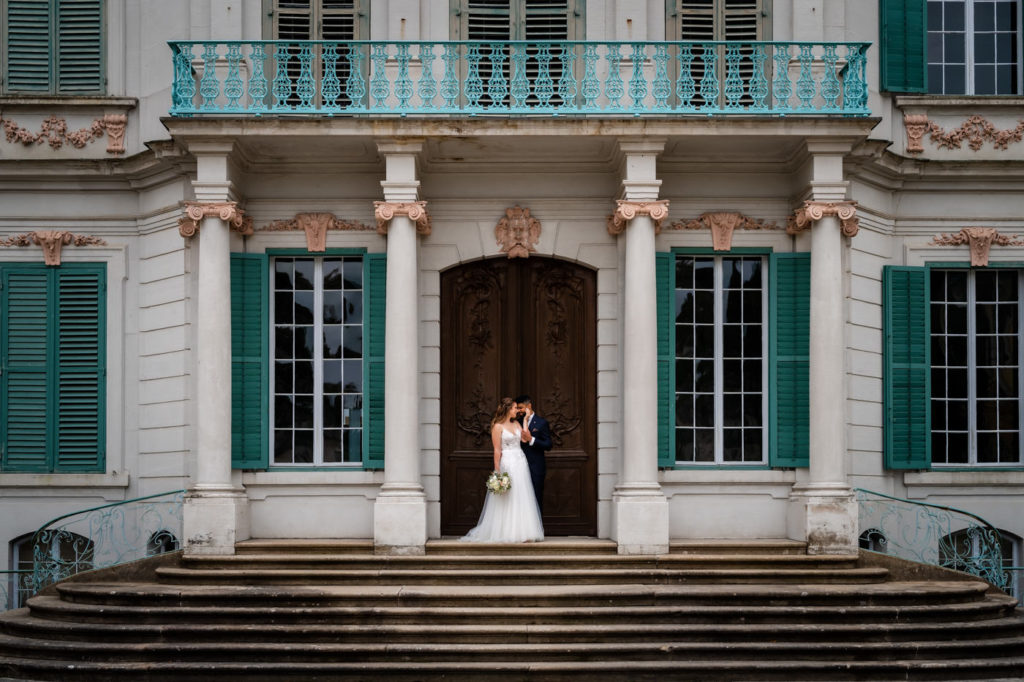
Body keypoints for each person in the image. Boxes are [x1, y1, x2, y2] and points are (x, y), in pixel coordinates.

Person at [461, 397, 544, 543]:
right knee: (507, 497)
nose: (516, 410)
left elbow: (525, 439)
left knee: (522, 495)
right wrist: (497, 470)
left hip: (520, 461)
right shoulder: (497, 426)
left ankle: (523, 532)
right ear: (507, 410)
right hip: (508, 462)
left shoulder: (517, 423)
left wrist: (525, 420)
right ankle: (506, 531)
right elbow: (497, 450)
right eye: (514, 408)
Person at [515, 394, 553, 514]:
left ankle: (537, 530)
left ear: (529, 406)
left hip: (535, 467)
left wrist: (532, 440)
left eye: (520, 407)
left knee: (536, 497)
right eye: (517, 408)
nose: (518, 411)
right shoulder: (516, 422)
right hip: (518, 467)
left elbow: (548, 445)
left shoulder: (542, 423)